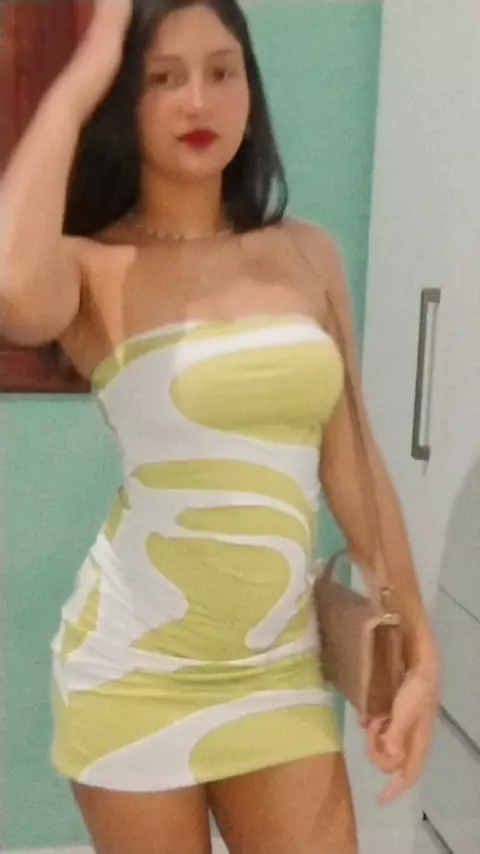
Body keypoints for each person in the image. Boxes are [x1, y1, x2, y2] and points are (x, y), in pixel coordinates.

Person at [0, 1, 439, 852]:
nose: (197, 100)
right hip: (134, 676)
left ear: (251, 87)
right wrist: (88, 65)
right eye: (162, 78)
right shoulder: (95, 269)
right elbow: (13, 285)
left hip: (278, 668)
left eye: (221, 71)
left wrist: (419, 644)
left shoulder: (306, 254)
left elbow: (351, 460)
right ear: (124, 100)